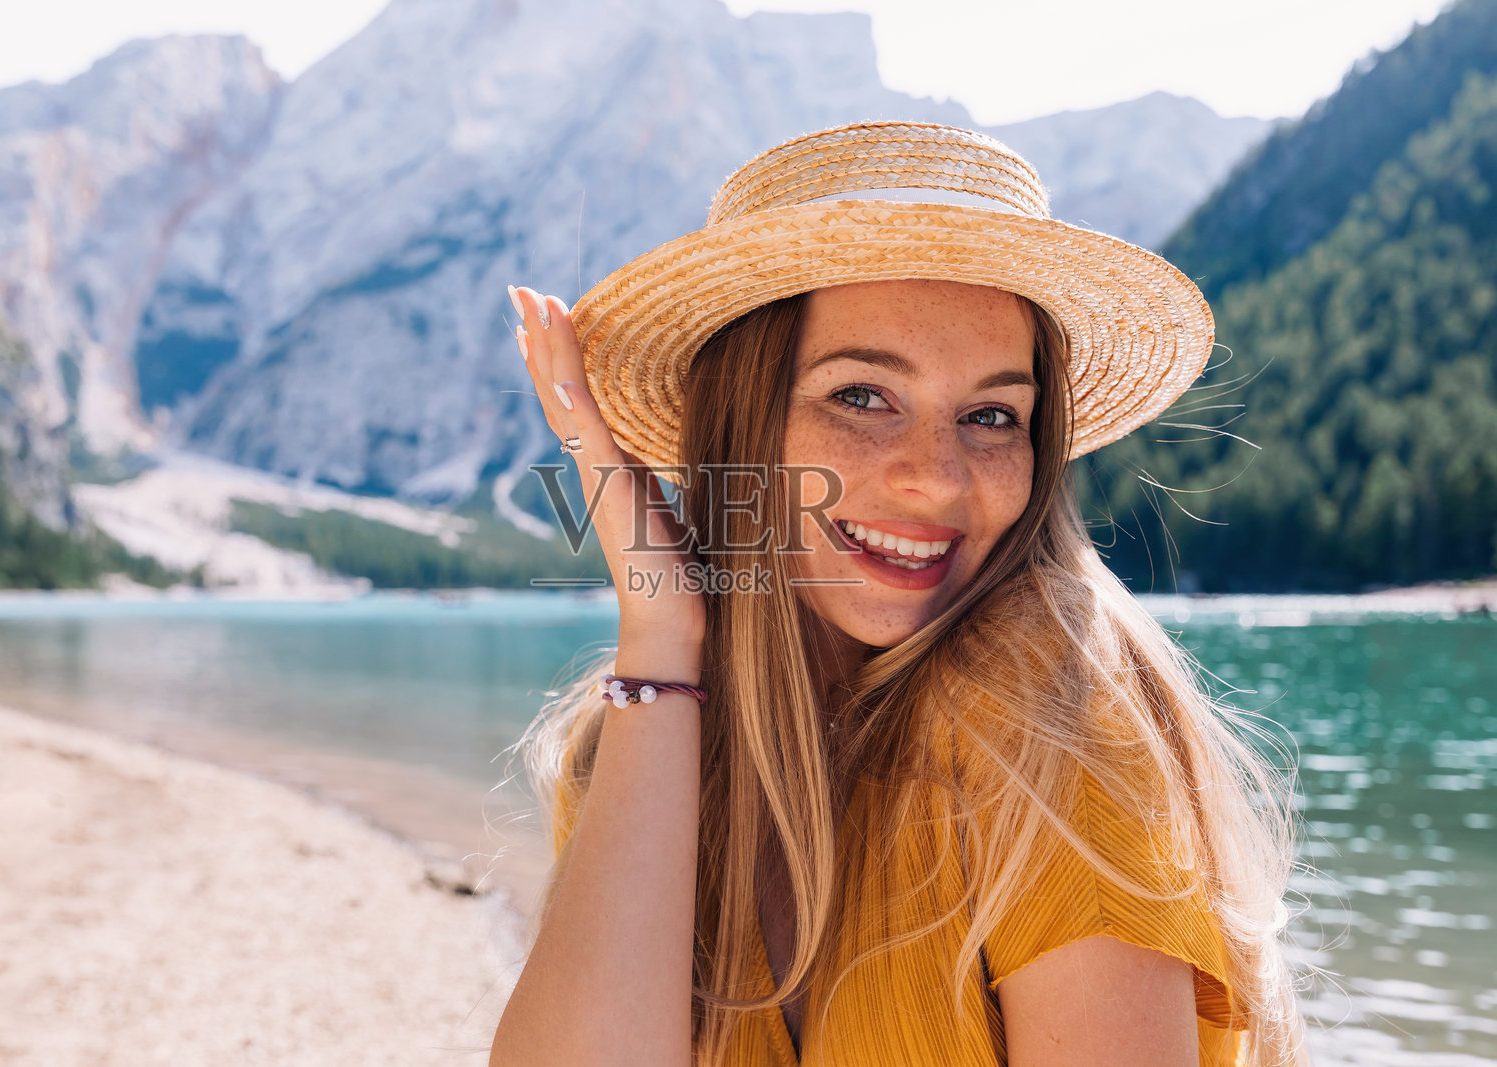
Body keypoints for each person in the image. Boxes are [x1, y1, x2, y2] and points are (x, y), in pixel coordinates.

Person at [491, 122, 1306, 1067]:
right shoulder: (643, 736)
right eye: (863, 396)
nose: (937, 477)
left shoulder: (1047, 711)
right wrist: (663, 637)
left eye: (992, 415)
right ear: (742, 429)